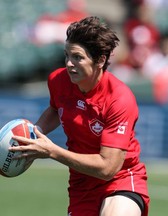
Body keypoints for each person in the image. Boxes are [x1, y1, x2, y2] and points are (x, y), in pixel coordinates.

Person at [9, 16, 150, 216]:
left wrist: (51, 151)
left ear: (100, 60)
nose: (69, 63)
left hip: (120, 178)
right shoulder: (58, 80)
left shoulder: (119, 99)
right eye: (67, 55)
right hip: (81, 183)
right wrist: (34, 132)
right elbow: (55, 109)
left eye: (77, 57)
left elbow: (108, 167)